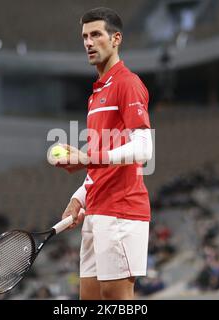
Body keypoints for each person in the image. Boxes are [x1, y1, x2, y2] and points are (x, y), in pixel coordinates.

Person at [48, 7, 153, 300]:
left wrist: (86, 159)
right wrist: (78, 198)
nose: (88, 43)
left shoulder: (127, 83)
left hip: (122, 211)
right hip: (96, 210)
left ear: (116, 38)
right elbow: (99, 163)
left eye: (96, 35)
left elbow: (145, 148)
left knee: (115, 297)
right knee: (89, 299)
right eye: (84, 36)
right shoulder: (96, 94)